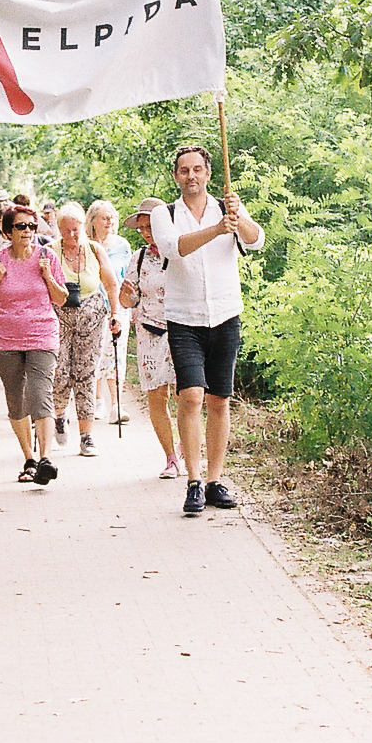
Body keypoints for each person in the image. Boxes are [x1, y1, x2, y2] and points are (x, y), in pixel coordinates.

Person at [148, 144, 263, 516]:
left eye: (198, 169)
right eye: (184, 170)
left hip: (226, 314)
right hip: (184, 320)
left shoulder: (227, 205)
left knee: (218, 400)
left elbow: (255, 239)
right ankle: (193, 481)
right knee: (191, 396)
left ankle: (215, 480)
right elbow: (174, 247)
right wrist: (216, 229)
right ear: (176, 176)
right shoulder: (164, 214)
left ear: (209, 173)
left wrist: (236, 218)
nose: (191, 176)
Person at [0, 203, 68, 485]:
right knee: (16, 399)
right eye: (21, 226)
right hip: (4, 339)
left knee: (40, 393)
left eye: (32, 226)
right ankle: (29, 457)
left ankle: (45, 459)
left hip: (42, 334)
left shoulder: (47, 256)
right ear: (8, 231)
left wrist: (48, 276)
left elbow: (61, 298)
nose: (28, 232)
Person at [119, 198, 182, 478]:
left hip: (183, 330)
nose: (146, 232)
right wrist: (126, 293)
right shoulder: (140, 257)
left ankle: (187, 449)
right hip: (150, 332)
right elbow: (128, 301)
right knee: (158, 396)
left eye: (150, 226)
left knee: (188, 396)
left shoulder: (181, 249)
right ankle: (170, 457)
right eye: (141, 228)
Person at [50, 202, 118, 456]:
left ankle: (86, 435)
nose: (71, 236)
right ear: (59, 230)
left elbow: (111, 284)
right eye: (66, 231)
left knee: (86, 374)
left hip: (91, 318)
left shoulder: (94, 250)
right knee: (59, 372)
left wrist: (116, 314)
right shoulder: (50, 252)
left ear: (83, 227)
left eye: (75, 230)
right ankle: (59, 415)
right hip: (59, 318)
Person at [87, 199, 133, 422]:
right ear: (93, 220)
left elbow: (128, 277)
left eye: (112, 217)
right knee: (94, 355)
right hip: (90, 309)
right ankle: (97, 402)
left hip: (117, 308)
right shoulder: (85, 245)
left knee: (116, 356)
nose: (110, 221)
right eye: (104, 217)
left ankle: (117, 405)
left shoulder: (122, 245)